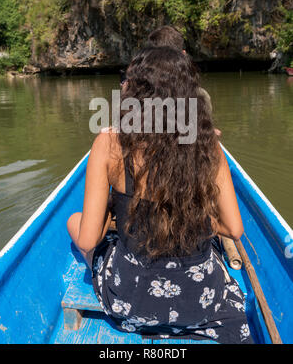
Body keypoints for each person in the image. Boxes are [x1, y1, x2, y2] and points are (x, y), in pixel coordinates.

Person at [67, 47, 253, 344]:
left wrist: (111, 211)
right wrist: (201, 220)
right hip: (201, 303)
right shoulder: (207, 146)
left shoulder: (109, 144)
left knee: (74, 221)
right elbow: (234, 229)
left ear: (135, 92)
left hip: (131, 301)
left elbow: (89, 240)